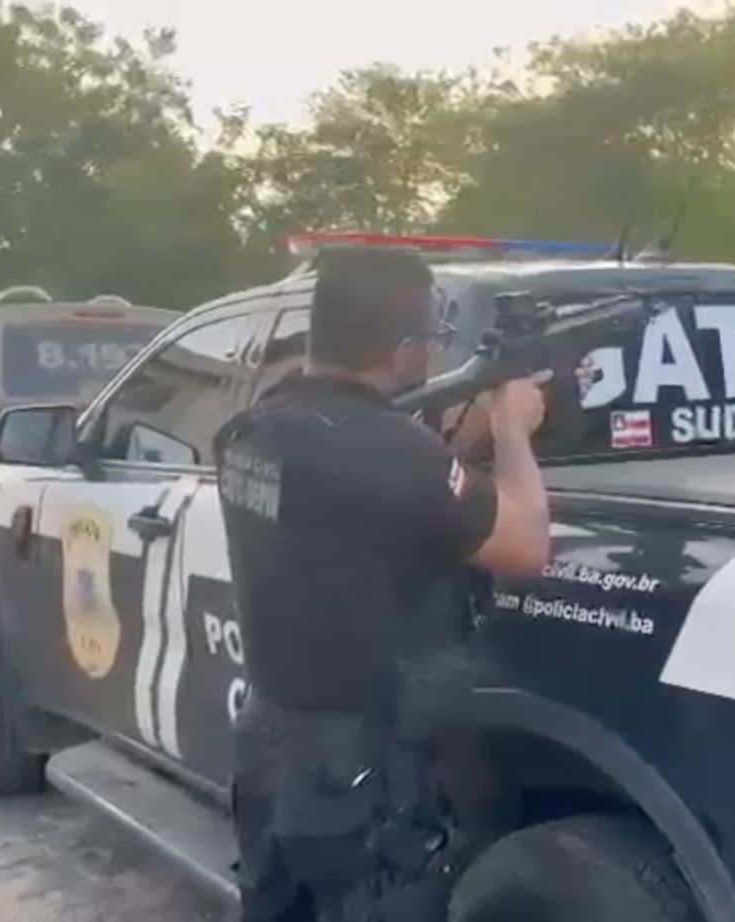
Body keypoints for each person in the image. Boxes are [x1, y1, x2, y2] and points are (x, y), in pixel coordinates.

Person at [214, 247, 550, 921]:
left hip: (272, 749)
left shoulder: (254, 426)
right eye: (428, 338)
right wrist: (512, 430)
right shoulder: (388, 449)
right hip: (362, 771)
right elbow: (525, 546)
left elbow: (377, 493)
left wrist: (451, 442)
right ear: (403, 351)